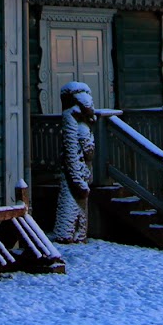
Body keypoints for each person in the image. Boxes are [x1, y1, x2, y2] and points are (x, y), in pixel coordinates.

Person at [51, 81, 97, 243]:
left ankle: (78, 234)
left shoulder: (81, 122)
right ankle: (66, 233)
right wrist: (78, 180)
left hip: (82, 172)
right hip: (77, 174)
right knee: (70, 206)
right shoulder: (72, 121)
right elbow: (72, 152)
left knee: (79, 208)